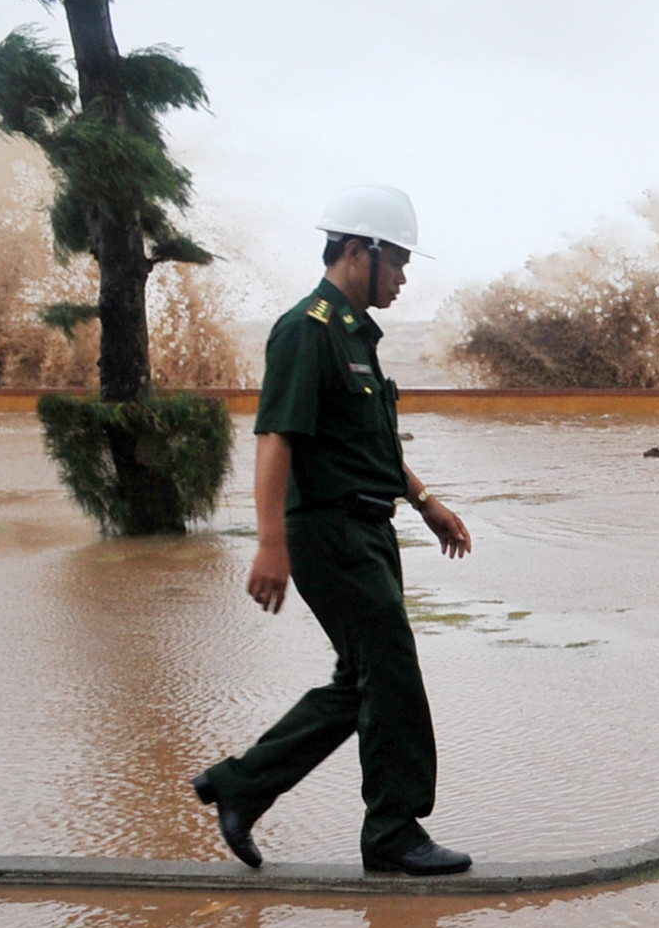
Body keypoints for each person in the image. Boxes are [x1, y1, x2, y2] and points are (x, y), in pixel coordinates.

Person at [191, 185, 474, 876]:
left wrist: (425, 499)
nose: (404, 278)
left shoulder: (355, 337)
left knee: (364, 681)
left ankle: (241, 785)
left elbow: (367, 444)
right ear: (358, 253)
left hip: (368, 530)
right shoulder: (306, 330)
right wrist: (271, 544)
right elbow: (275, 439)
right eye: (397, 263)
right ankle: (394, 834)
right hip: (328, 531)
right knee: (393, 676)